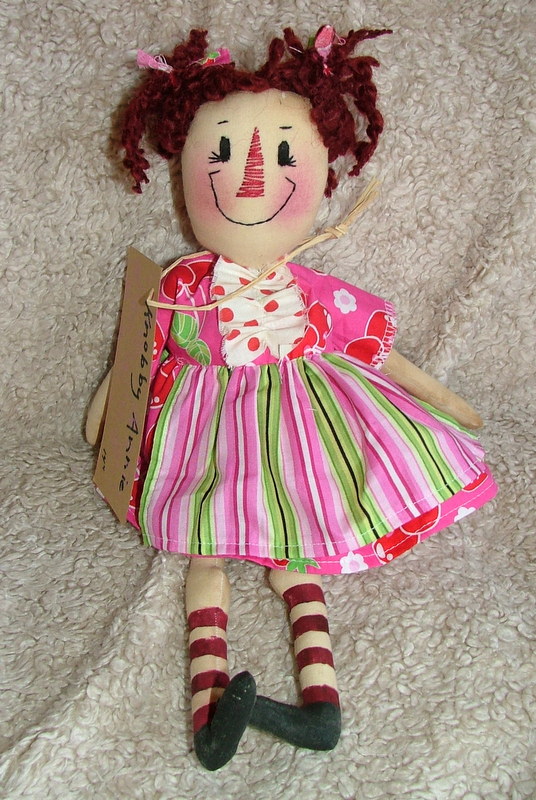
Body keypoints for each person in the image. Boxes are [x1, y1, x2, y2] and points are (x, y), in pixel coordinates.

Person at [87, 27, 497, 770]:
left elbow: (381, 354)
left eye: (282, 156)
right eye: (220, 154)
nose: (251, 176)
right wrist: (106, 419)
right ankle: (210, 707)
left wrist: (445, 402)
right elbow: (138, 359)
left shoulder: (308, 289)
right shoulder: (179, 288)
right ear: (184, 170)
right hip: (205, 426)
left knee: (295, 544)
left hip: (303, 417)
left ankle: (319, 704)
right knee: (206, 548)